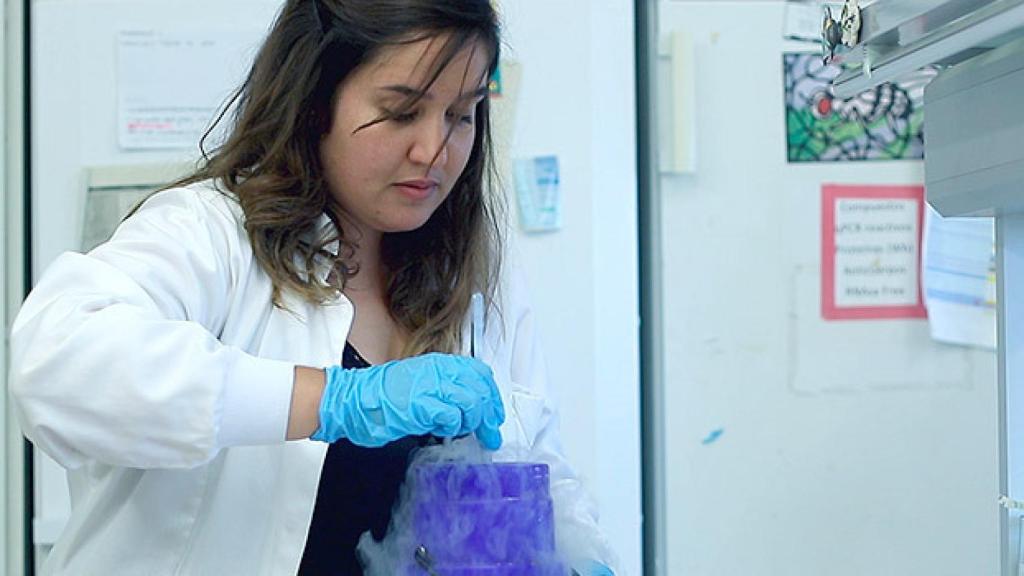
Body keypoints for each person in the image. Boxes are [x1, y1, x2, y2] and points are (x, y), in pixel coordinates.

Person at [9, 1, 616, 574]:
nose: (435, 150)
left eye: (461, 114)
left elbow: (535, 456)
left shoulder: (479, 271)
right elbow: (54, 364)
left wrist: (575, 546)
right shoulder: (210, 236)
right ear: (315, 100)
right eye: (402, 110)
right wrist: (329, 401)